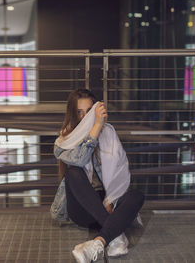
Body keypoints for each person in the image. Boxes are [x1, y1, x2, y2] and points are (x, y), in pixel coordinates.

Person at [53, 89, 145, 263]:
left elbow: (121, 173)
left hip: (109, 205)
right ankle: (115, 235)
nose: (85, 117)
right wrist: (95, 126)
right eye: (79, 112)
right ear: (73, 114)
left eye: (89, 112)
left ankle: (99, 242)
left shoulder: (108, 133)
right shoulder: (64, 139)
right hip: (83, 210)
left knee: (137, 196)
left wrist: (111, 199)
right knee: (73, 171)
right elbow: (79, 160)